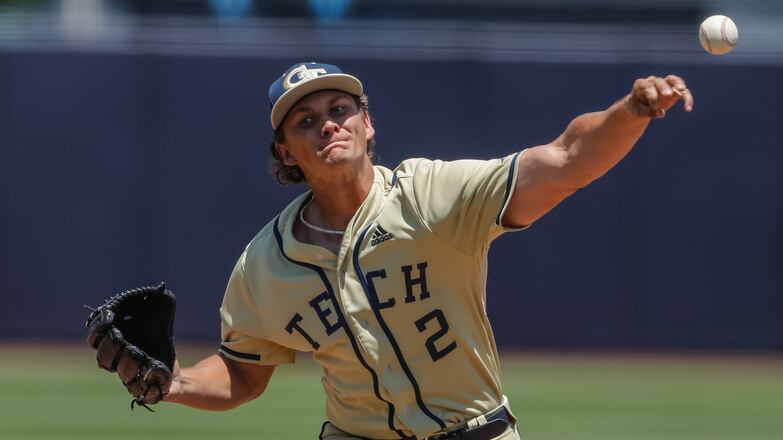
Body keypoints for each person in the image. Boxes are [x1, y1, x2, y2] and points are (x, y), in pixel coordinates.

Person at [163, 62, 693, 440]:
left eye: (341, 108)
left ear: (367, 124)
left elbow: (566, 156)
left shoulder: (429, 198)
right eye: (305, 121)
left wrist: (630, 112)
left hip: (475, 431)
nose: (328, 123)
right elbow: (243, 371)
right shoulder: (265, 263)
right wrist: (175, 382)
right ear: (287, 154)